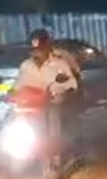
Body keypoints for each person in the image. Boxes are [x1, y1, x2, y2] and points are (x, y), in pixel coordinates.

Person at [12, 29, 81, 169]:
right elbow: (18, 85)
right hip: (33, 107)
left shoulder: (59, 64)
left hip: (54, 105)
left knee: (54, 130)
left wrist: (63, 93)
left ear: (48, 47)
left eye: (40, 50)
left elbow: (71, 84)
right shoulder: (26, 66)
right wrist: (10, 94)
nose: (36, 53)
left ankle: (56, 161)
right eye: (33, 50)